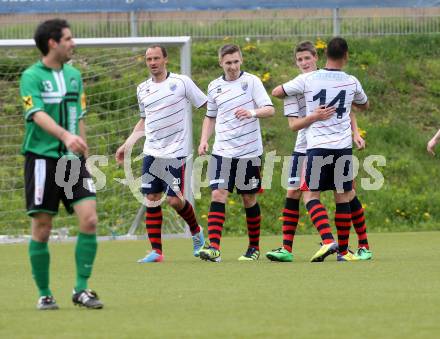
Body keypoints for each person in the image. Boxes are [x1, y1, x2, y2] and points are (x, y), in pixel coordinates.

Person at [20, 19, 103, 310]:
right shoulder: (31, 76)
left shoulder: (74, 76)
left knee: (89, 219)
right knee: (43, 227)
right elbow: (37, 115)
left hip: (72, 160)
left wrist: (82, 145)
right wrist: (66, 136)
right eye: (68, 38)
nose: (73, 43)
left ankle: (81, 289)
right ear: (53, 43)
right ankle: (44, 293)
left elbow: (78, 113)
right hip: (41, 159)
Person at [267, 41, 372, 262]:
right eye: (299, 59)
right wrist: (314, 117)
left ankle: (360, 244)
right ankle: (288, 248)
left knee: (345, 194)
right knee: (293, 191)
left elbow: (349, 111)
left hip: (320, 146)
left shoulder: (316, 81)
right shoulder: (296, 88)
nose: (304, 62)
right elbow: (294, 125)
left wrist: (355, 133)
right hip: (304, 147)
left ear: (317, 57)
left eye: (307, 58)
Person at [116, 45, 207, 263]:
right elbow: (144, 120)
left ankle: (196, 232)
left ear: (165, 59)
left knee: (175, 201)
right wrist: (127, 144)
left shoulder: (182, 82)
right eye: (149, 59)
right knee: (152, 199)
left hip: (176, 151)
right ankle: (156, 251)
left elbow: (207, 106)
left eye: (156, 58)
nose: (153, 62)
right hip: (151, 151)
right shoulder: (142, 89)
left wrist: (207, 136)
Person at [197, 44, 275, 262]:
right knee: (217, 193)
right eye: (228, 62)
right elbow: (210, 116)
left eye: (236, 61)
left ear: (241, 60)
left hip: (249, 152)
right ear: (220, 62)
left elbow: (270, 109)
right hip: (222, 151)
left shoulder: (251, 82)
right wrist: (204, 140)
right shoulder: (214, 86)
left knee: (248, 198)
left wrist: (251, 112)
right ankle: (214, 248)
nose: (232, 66)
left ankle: (253, 247)